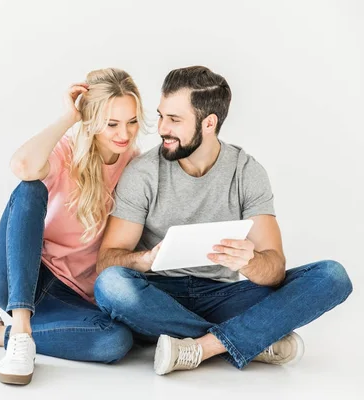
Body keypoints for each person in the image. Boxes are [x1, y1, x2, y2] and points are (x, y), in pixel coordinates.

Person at [94, 66, 353, 375]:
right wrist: (145, 259)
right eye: (162, 115)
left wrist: (249, 262)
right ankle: (250, 338)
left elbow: (274, 270)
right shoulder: (144, 172)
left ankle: (204, 347)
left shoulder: (246, 172)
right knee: (112, 286)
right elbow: (106, 263)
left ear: (209, 123)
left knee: (332, 276)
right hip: (158, 295)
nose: (162, 128)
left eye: (175, 120)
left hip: (222, 295)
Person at [0, 68, 146, 385]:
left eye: (132, 121)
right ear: (91, 120)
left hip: (69, 295)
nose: (125, 133)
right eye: (112, 123)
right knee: (30, 186)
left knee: (116, 341)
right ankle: (22, 331)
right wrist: (69, 117)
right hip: (20, 276)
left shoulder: (136, 166)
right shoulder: (67, 151)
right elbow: (22, 166)